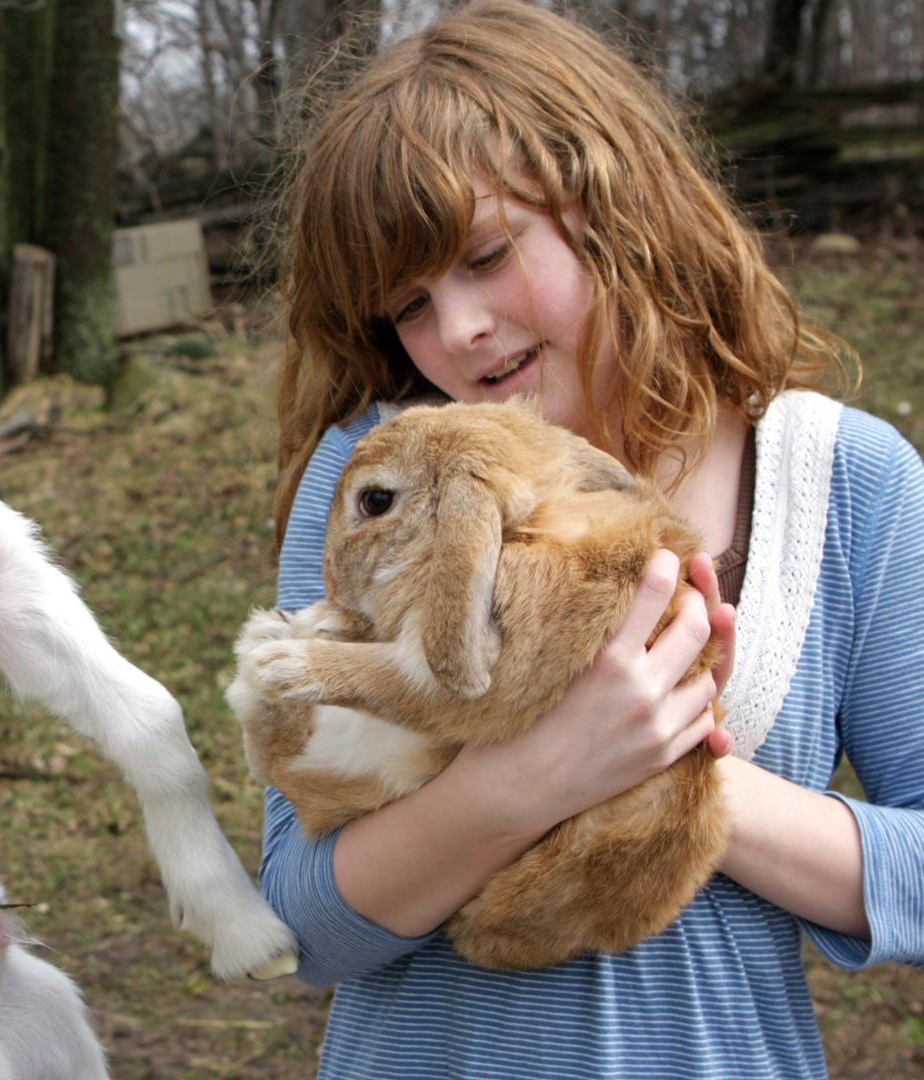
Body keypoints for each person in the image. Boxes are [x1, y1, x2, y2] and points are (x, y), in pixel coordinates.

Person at [260, 3, 924, 1076]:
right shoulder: (376, 479)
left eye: (486, 254)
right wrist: (523, 779)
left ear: (614, 201)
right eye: (410, 306)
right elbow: (298, 920)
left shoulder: (844, 483)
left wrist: (671, 767)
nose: (457, 331)